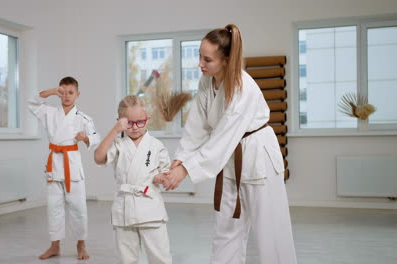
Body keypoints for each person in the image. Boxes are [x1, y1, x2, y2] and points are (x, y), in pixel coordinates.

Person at [162, 24, 297, 264]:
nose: (200, 64)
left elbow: (223, 138)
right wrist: (179, 160)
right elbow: (197, 126)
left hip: (257, 158)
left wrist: (185, 170)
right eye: (199, 57)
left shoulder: (242, 88)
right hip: (230, 160)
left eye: (207, 59)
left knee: (271, 232)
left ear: (225, 60)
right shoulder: (207, 82)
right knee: (226, 229)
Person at [28, 76, 100, 260]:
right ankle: (54, 246)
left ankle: (81, 245)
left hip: (72, 167)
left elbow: (96, 137)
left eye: (71, 92)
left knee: (78, 208)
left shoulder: (83, 118)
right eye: (63, 92)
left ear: (77, 95)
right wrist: (52, 91)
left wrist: (85, 138)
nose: (67, 96)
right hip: (54, 165)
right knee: (54, 207)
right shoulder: (50, 113)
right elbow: (33, 103)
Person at [94, 95, 172, 264]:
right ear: (120, 121)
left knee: (160, 257)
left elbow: (164, 172)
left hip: (150, 208)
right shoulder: (117, 143)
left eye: (140, 122)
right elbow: (98, 158)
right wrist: (114, 130)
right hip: (125, 209)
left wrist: (160, 178)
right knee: (126, 259)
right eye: (129, 123)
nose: (135, 127)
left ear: (147, 119)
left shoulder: (156, 146)